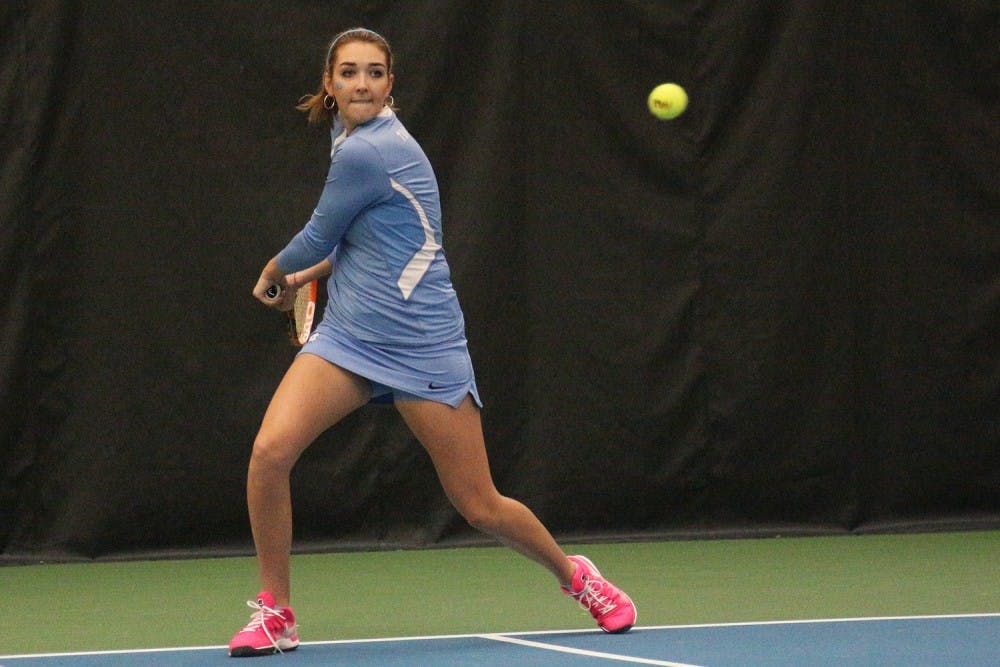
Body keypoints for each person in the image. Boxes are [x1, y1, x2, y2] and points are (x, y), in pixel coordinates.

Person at [228, 28, 636, 658]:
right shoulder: (349, 139)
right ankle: (276, 612)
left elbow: (315, 235)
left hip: (423, 344)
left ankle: (577, 577)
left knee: (479, 505)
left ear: (391, 83)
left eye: (374, 73)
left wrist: (275, 271)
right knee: (270, 453)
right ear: (329, 85)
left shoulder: (375, 150)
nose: (362, 84)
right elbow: (362, 242)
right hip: (351, 338)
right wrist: (312, 275)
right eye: (349, 73)